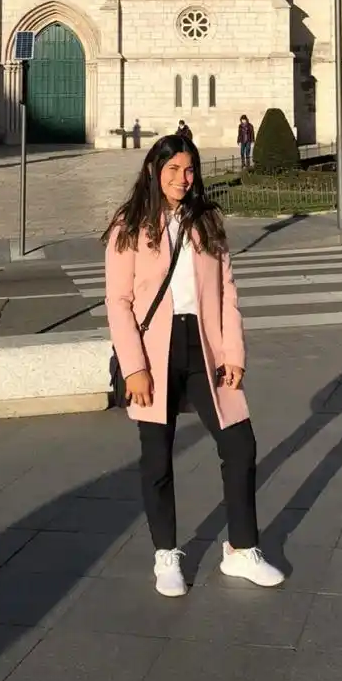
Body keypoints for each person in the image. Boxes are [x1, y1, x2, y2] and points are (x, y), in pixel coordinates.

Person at [103, 134, 284, 597]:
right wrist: (134, 367)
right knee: (157, 457)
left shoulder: (207, 222)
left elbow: (227, 295)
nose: (183, 179)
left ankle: (242, 550)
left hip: (203, 347)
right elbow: (119, 303)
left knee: (240, 444)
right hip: (153, 351)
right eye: (173, 170)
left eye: (189, 170)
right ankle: (167, 555)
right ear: (152, 171)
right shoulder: (129, 226)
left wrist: (234, 355)